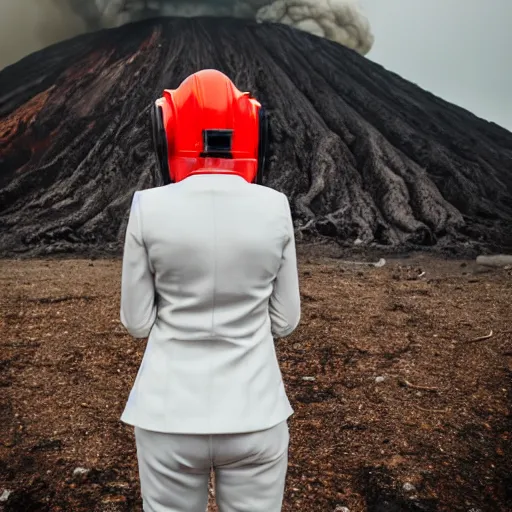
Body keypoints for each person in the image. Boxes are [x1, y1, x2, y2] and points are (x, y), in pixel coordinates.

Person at [119, 69, 301, 512]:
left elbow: (137, 323)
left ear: (167, 134)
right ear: (253, 135)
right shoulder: (275, 207)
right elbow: (285, 320)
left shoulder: (148, 206)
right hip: (256, 413)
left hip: (167, 415)